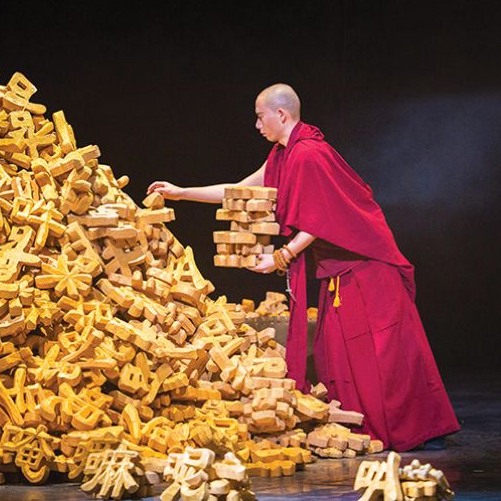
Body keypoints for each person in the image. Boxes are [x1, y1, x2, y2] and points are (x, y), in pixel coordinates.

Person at [147, 84, 459, 451]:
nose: (257, 124)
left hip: (366, 269)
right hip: (339, 271)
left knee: (383, 353)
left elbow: (318, 219)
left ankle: (407, 429)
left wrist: (281, 257)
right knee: (337, 353)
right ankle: (369, 426)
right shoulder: (282, 156)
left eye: (260, 116)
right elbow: (241, 190)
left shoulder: (310, 154)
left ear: (282, 115)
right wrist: (183, 192)